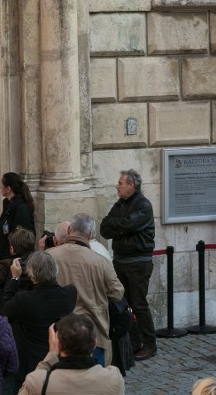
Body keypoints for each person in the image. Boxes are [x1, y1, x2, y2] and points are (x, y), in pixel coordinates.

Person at [48, 213, 124, 366]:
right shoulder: (101, 262)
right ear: (89, 234)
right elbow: (117, 293)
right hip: (93, 333)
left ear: (69, 231)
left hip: (59, 333)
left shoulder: (49, 257)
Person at [0, 251, 78, 394]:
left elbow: (4, 309)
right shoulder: (70, 294)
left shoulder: (25, 300)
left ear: (31, 275)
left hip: (30, 363)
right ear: (56, 270)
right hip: (58, 358)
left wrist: (15, 278)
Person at [100, 168, 157, 360]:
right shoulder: (120, 203)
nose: (117, 186)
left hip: (138, 263)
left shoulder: (143, 205)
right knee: (125, 304)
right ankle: (133, 343)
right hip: (121, 260)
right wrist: (121, 225)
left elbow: (128, 225)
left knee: (139, 305)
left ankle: (150, 344)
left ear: (131, 185)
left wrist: (120, 226)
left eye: (120, 183)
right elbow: (105, 227)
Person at [18, 314, 124, 395]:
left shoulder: (38, 381)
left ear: (58, 345)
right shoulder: (113, 378)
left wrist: (51, 355)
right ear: (95, 344)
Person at [0, 172, 35, 260]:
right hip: (4, 257)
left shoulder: (22, 209)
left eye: (1, 185)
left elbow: (21, 238)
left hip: (14, 260)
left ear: (8, 189)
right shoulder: (8, 204)